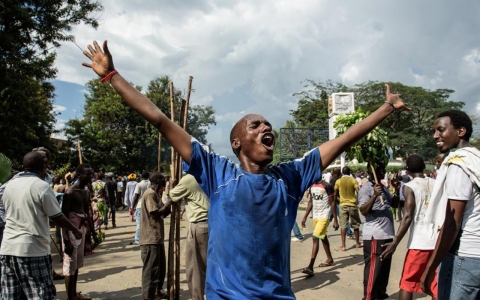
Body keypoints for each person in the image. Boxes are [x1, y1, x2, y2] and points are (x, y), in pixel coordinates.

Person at [81, 40, 409, 298]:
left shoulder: (290, 177)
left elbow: (344, 138)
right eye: (255, 125)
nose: (266, 127)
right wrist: (112, 77)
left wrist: (386, 108)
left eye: (268, 124)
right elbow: (159, 118)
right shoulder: (217, 172)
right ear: (237, 143)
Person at [0, 152, 82, 300]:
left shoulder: (8, 186)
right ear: (43, 167)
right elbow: (57, 217)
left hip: (7, 249)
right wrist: (75, 230)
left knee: (11, 295)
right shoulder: (41, 186)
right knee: (41, 294)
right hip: (33, 250)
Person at [420, 110, 480, 300]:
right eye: (435, 131)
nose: (435, 136)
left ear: (461, 131)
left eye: (441, 130)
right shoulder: (476, 159)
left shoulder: (459, 164)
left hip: (464, 257)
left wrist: (430, 268)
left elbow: (453, 222)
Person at [380, 154, 437, 300]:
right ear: (424, 167)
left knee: (407, 283)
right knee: (436, 284)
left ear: (407, 170)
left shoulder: (409, 187)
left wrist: (395, 242)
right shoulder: (436, 183)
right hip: (438, 242)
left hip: (420, 243)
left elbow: (407, 216)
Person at [169, 174, 210, 300]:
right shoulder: (208, 174)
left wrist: (171, 184)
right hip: (210, 223)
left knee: (195, 266)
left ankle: (197, 297)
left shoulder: (189, 178)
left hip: (199, 224)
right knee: (207, 264)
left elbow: (173, 195)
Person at [358, 163, 395, 300]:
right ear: (371, 171)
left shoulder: (383, 188)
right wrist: (374, 196)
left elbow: (394, 203)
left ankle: (380, 294)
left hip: (387, 234)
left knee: (384, 269)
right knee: (374, 268)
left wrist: (397, 189)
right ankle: (369, 297)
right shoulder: (366, 189)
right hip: (375, 235)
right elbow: (363, 211)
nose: (383, 171)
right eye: (380, 169)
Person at [61, 164, 95, 300]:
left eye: (91, 173)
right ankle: (70, 296)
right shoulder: (70, 193)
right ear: (80, 174)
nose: (91, 177)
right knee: (69, 266)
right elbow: (63, 217)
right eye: (88, 174)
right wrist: (66, 240)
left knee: (76, 264)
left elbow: (87, 212)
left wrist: (92, 232)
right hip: (71, 231)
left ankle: (74, 295)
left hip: (81, 230)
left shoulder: (86, 192)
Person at [139, 172, 170, 300]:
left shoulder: (156, 194)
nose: (165, 181)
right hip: (150, 238)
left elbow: (164, 213)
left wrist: (170, 201)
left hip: (156, 238)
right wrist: (170, 202)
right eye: (163, 179)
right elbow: (155, 213)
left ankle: (156, 292)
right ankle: (148, 297)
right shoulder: (150, 194)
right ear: (157, 181)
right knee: (151, 271)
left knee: (160, 268)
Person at [300, 179, 338, 276]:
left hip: (324, 216)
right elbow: (311, 202)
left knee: (315, 237)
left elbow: (332, 203)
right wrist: (304, 217)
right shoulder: (312, 186)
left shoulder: (327, 186)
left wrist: (335, 219)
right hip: (315, 216)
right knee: (322, 236)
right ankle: (330, 259)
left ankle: (310, 267)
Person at [334, 166, 362, 251]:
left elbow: (335, 194)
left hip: (343, 205)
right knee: (355, 225)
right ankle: (357, 243)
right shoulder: (354, 180)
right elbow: (358, 191)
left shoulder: (338, 181)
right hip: (352, 204)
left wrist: (338, 201)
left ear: (342, 172)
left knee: (343, 225)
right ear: (349, 172)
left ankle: (343, 245)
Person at [132, 171, 151, 245]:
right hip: (149, 205)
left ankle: (137, 239)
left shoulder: (139, 184)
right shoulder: (150, 183)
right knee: (148, 222)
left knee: (139, 223)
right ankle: (147, 238)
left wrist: (133, 206)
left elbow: (136, 196)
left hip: (140, 205)